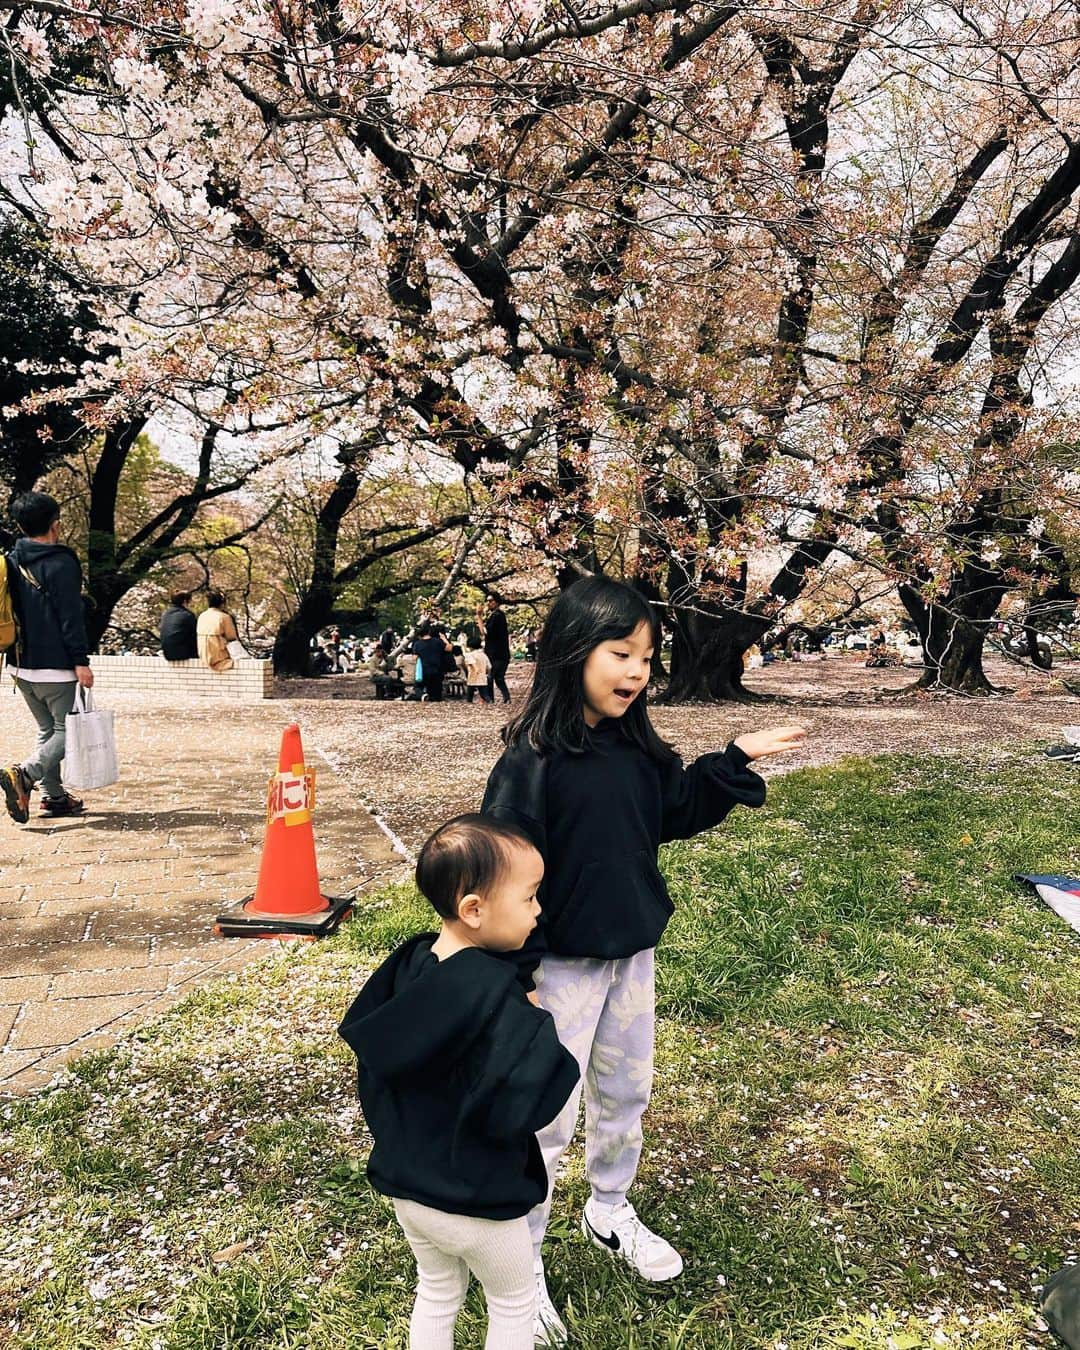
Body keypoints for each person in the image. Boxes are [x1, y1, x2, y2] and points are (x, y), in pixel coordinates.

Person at [481, 575, 806, 1344]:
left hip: (631, 954)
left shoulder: (636, 747)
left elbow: (675, 810)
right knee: (546, 1121)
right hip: (554, 969)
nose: (635, 672)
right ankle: (517, 1270)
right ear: (571, 651)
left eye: (646, 658)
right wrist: (513, 979)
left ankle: (608, 1209)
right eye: (619, 653)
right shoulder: (532, 760)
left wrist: (731, 761)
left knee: (626, 1090)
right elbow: (498, 877)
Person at [338, 815, 579, 1350]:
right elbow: (536, 1089)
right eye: (530, 897)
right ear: (474, 909)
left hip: (412, 1189)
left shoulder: (409, 967)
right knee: (514, 1303)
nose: (539, 911)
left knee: (438, 1289)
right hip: (477, 1197)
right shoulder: (495, 993)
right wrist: (537, 1017)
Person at [0, 491, 94, 822]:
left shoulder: (11, 558)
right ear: (55, 525)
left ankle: (54, 798)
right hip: (56, 666)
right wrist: (80, 660)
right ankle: (25, 774)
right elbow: (70, 616)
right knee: (68, 730)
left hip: (19, 663)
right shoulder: (61, 563)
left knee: (48, 730)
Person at [477, 595, 511, 704]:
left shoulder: (497, 615)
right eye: (487, 601)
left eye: (491, 601)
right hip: (500, 652)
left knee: (492, 676)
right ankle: (506, 698)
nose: (488, 603)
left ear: (497, 602)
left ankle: (490, 699)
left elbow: (485, 632)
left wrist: (479, 617)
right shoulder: (497, 615)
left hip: (496, 653)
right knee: (498, 677)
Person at [196, 591, 239, 672]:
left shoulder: (202, 616)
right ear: (222, 604)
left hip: (203, 655)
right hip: (218, 657)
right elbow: (232, 638)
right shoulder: (224, 617)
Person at [412, 623, 451, 703]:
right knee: (436, 693)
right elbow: (449, 648)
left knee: (417, 687)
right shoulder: (437, 642)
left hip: (424, 670)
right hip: (437, 670)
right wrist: (444, 638)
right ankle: (435, 701)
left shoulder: (417, 644)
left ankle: (423, 695)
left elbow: (414, 658)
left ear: (419, 635)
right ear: (429, 632)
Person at [159, 591, 198, 662]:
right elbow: (196, 634)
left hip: (167, 653)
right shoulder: (187, 615)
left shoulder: (166, 614)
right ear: (184, 601)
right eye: (189, 601)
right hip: (182, 653)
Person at [463, 634, 493, 704]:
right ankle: (489, 701)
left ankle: (469, 703)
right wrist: (488, 674)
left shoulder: (469, 655)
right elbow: (489, 666)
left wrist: (476, 669)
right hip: (482, 677)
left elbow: (472, 663)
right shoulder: (483, 655)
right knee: (484, 693)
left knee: (470, 693)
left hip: (472, 677)